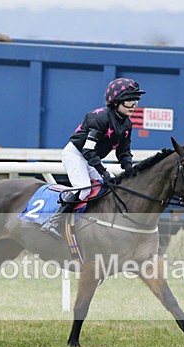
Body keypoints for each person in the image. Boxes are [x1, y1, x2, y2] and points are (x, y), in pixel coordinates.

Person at [40, 77, 145, 239]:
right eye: (130, 101)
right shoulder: (100, 118)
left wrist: (131, 171)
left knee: (110, 187)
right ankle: (53, 221)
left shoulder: (127, 124)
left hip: (91, 157)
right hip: (76, 153)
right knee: (84, 188)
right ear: (116, 101)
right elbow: (88, 151)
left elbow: (124, 153)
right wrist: (103, 172)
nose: (134, 105)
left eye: (136, 101)